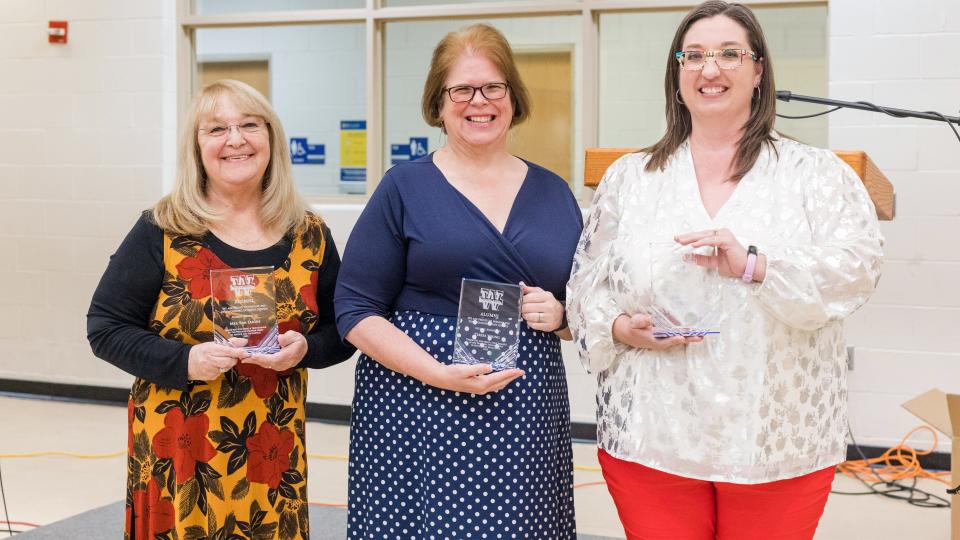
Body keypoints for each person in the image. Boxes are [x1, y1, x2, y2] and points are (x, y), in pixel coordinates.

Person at [566, 2, 884, 539]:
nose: (710, 69)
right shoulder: (631, 178)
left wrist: (755, 265)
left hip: (774, 439)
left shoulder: (816, 175)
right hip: (652, 435)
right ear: (677, 70)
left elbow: (857, 269)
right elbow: (585, 283)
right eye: (694, 55)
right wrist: (620, 327)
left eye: (729, 54)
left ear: (758, 70)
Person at [335, 23, 581, 539]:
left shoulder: (554, 193)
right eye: (462, 90)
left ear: (512, 97)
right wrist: (434, 372)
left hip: (524, 406)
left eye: (493, 87)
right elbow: (354, 309)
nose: (479, 102)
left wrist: (561, 318)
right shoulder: (403, 187)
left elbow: (586, 306)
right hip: (415, 402)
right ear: (439, 103)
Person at [87, 79, 355, 540]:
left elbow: (345, 329)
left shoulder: (308, 232)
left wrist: (304, 349)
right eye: (216, 129)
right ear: (197, 146)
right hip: (179, 449)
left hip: (273, 451)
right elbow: (105, 327)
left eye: (249, 124)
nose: (235, 140)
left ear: (270, 138)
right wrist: (185, 360)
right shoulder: (163, 227)